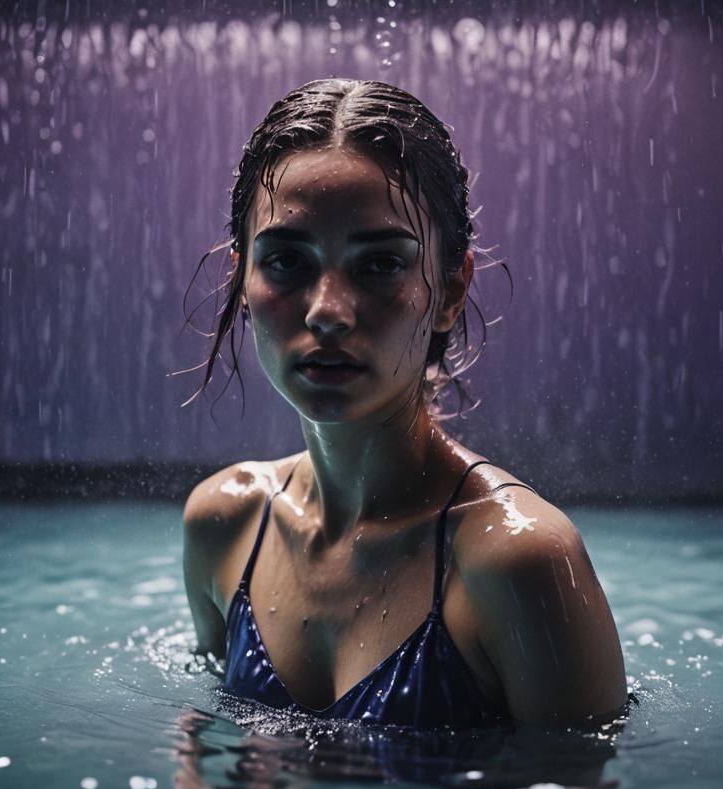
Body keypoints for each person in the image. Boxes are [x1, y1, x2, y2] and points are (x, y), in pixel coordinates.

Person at [181, 78, 626, 731]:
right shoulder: (223, 524)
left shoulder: (521, 563)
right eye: (285, 262)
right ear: (241, 280)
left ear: (450, 290)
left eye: (381, 264)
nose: (327, 310)